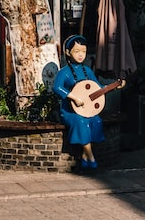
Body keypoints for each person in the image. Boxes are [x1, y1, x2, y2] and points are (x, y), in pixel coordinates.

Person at [53, 35, 124, 170]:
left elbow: (98, 88)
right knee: (81, 121)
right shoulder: (64, 72)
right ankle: (90, 156)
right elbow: (57, 88)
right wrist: (73, 97)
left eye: (83, 52)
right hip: (69, 110)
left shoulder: (88, 71)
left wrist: (113, 86)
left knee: (96, 121)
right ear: (68, 52)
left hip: (87, 109)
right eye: (77, 51)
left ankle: (85, 156)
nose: (81, 55)